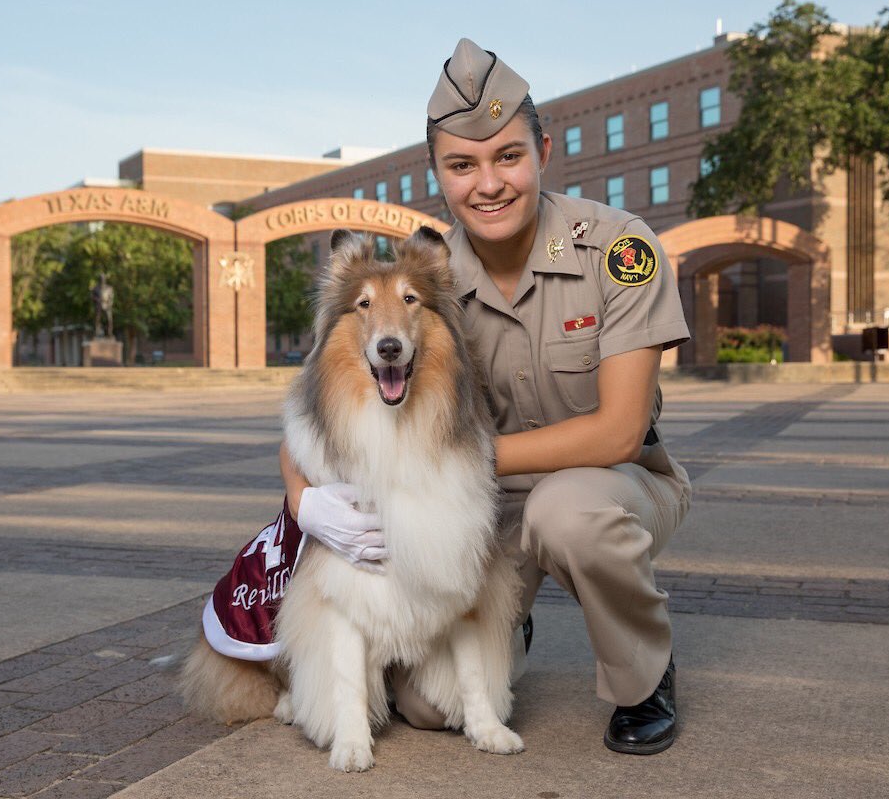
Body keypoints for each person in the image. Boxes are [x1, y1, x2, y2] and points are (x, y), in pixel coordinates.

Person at [280, 38, 691, 755]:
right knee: (428, 709)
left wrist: (452, 463)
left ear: (544, 152)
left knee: (569, 513)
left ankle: (643, 675)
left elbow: (620, 431)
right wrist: (303, 499)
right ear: (438, 174)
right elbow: (320, 417)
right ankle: (510, 621)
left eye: (508, 157)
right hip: (477, 509)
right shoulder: (430, 279)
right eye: (462, 165)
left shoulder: (618, 248)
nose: (489, 183)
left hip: (608, 486)